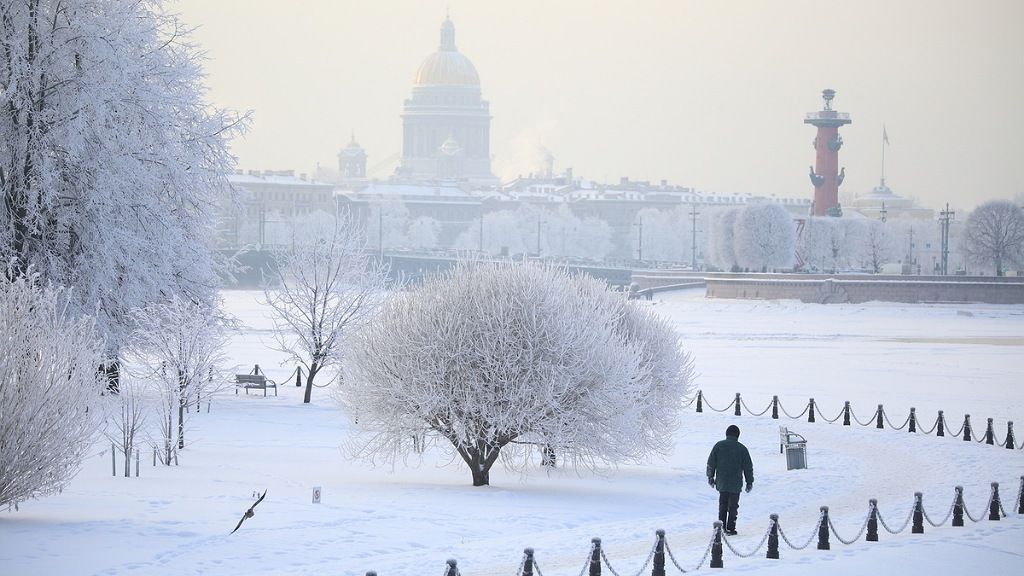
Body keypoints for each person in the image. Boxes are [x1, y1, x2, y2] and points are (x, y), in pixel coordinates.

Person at [706, 424, 754, 536]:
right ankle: (731, 528)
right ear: (738, 435)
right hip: (735, 483)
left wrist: (710, 477)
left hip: (722, 481)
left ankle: (720, 527)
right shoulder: (742, 449)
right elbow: (748, 467)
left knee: (722, 504)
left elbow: (711, 463)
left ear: (726, 434)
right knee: (733, 506)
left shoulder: (719, 446)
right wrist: (749, 482)